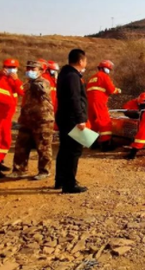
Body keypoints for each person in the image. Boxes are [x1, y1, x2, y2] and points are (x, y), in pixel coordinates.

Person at [7, 61, 55, 180]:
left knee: (43, 147)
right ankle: (19, 170)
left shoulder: (44, 82)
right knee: (21, 146)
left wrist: (24, 81)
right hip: (27, 120)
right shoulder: (28, 84)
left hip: (42, 120)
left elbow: (41, 90)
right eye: (28, 69)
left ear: (41, 71)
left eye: (33, 69)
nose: (29, 71)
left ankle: (44, 171)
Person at [55, 49, 89, 194]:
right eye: (85, 60)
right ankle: (69, 184)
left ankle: (60, 180)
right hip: (72, 119)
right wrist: (80, 119)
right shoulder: (73, 76)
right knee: (73, 151)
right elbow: (75, 99)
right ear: (81, 61)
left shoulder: (65, 73)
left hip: (65, 117)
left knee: (64, 150)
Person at [86, 60, 121, 151]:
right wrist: (118, 90)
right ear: (103, 68)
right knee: (105, 121)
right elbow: (111, 89)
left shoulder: (92, 78)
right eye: (108, 69)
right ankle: (105, 144)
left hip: (89, 102)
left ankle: (93, 144)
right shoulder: (104, 76)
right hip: (99, 102)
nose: (109, 70)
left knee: (93, 122)